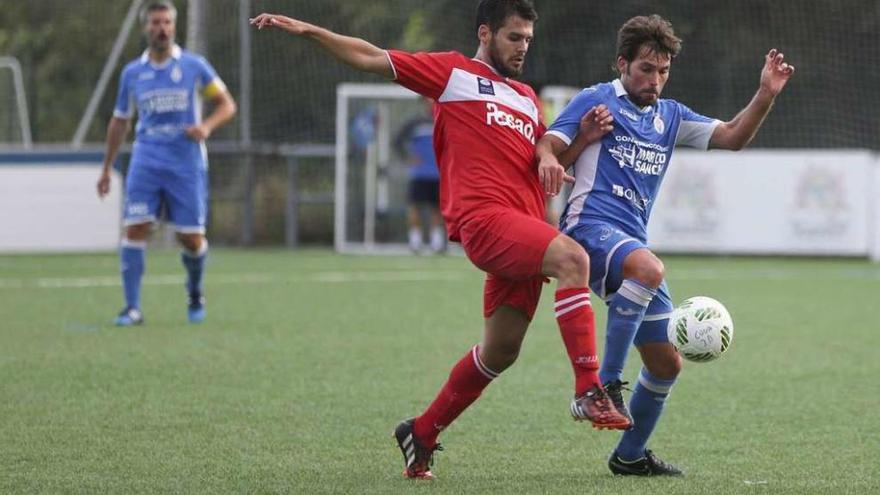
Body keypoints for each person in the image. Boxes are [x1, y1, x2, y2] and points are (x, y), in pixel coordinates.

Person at [251, 0, 629, 480]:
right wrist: (307, 30)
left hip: (524, 225)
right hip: (485, 220)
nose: (523, 48)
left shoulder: (528, 98)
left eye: (528, 40)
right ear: (486, 32)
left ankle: (421, 433)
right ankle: (589, 390)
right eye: (514, 37)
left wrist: (570, 148)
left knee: (501, 352)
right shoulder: (453, 74)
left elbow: (539, 163)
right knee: (574, 259)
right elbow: (370, 56)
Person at [535, 15, 794, 476]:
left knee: (667, 362)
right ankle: (600, 388)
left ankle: (630, 456)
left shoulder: (670, 116)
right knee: (650, 269)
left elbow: (733, 137)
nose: (655, 80)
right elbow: (548, 145)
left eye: (663, 71)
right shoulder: (596, 100)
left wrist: (766, 94)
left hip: (630, 245)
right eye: (646, 69)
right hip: (587, 229)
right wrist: (556, 157)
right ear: (623, 64)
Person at [96, 0, 237, 326]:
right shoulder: (132, 73)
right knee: (136, 227)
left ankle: (195, 290)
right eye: (155, 23)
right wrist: (107, 168)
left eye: (167, 23)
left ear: (174, 27)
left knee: (190, 238)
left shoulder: (194, 66)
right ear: (145, 28)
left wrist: (206, 127)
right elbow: (120, 121)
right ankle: (132, 308)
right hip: (146, 159)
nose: (161, 29)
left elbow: (227, 105)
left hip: (186, 162)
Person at [393, 97, 445, 254]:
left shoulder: (443, 120)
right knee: (414, 206)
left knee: (438, 208)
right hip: (419, 174)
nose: (430, 103)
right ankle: (415, 242)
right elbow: (396, 142)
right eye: (427, 100)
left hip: (439, 174)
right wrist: (407, 157)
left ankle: (437, 242)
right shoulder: (413, 123)